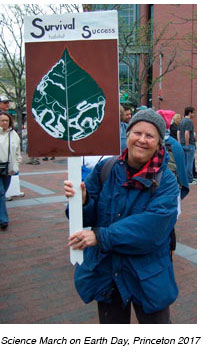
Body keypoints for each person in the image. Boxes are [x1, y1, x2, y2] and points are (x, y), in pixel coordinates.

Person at [64, 108, 180, 324]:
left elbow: (151, 229)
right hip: (108, 274)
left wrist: (100, 237)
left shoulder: (166, 181)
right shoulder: (105, 169)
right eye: (137, 133)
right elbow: (84, 218)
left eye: (150, 135)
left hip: (148, 277)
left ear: (158, 143)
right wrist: (82, 202)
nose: (142, 140)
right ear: (128, 134)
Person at [0, 111, 22, 230]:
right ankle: (4, 220)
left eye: (6, 120)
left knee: (2, 194)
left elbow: (17, 152)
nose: (4, 123)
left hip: (8, 168)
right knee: (1, 192)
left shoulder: (13, 135)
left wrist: (17, 164)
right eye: (2, 120)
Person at [178, 106, 196, 184]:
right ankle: (189, 179)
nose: (194, 114)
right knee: (189, 163)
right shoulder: (189, 121)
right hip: (189, 145)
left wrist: (179, 142)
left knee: (184, 163)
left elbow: (178, 132)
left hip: (181, 144)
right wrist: (187, 144)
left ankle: (183, 179)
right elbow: (187, 133)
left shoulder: (181, 121)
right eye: (193, 112)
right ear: (189, 113)